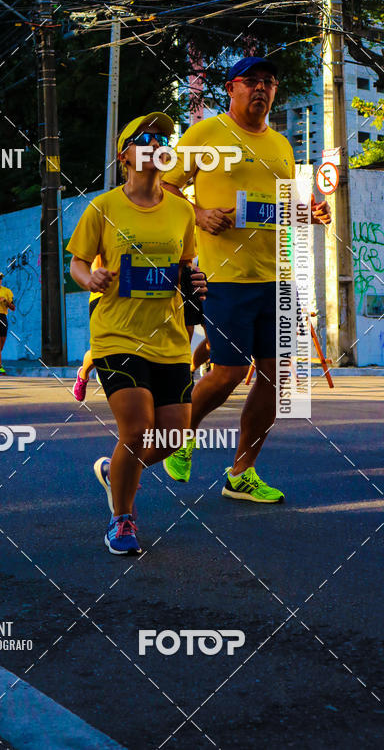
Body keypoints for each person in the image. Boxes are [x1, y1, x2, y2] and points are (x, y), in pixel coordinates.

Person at [162, 57, 330, 501]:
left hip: (277, 277)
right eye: (251, 81)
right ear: (230, 88)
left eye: (269, 82)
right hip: (225, 276)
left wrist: (311, 213)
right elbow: (166, 189)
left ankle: (242, 473)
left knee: (280, 379)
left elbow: (286, 205)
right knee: (229, 372)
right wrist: (198, 213)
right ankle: (181, 432)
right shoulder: (206, 134)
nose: (261, 88)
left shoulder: (280, 145)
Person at [68, 112, 206, 555]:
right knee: (138, 426)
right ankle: (121, 520)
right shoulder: (103, 207)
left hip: (167, 339)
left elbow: (185, 268)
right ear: (125, 154)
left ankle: (117, 472)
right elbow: (77, 262)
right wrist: (90, 279)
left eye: (163, 137)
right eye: (145, 137)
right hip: (117, 336)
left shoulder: (183, 210)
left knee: (173, 435)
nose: (157, 142)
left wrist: (196, 283)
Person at [72, 256, 103, 402]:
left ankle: (106, 368)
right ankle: (83, 374)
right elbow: (82, 263)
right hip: (103, 296)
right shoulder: (105, 233)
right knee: (100, 349)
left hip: (136, 299)